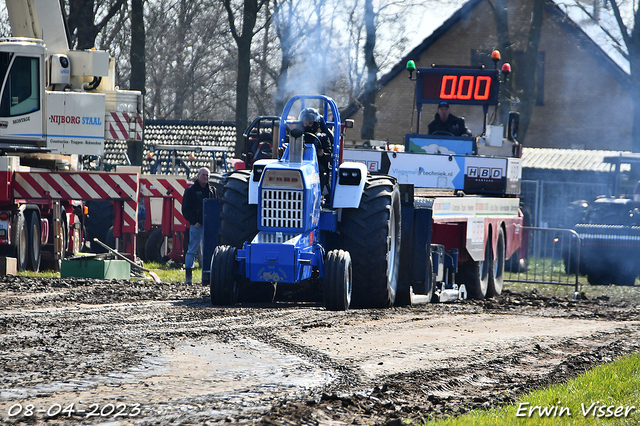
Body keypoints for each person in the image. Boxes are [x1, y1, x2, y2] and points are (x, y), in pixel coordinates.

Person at [181, 167, 215, 284]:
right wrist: (194, 222)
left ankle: (207, 277)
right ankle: (188, 277)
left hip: (209, 225)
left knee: (209, 250)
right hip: (197, 225)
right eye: (203, 175)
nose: (206, 177)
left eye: (207, 175)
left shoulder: (211, 190)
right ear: (198, 175)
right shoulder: (191, 191)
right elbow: (185, 209)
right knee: (192, 250)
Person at [298, 108, 333, 188]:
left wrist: (322, 155)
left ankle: (318, 195)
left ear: (315, 124)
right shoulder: (296, 137)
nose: (307, 125)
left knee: (319, 172)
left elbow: (329, 156)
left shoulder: (322, 138)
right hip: (299, 164)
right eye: (305, 123)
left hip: (316, 167)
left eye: (310, 123)